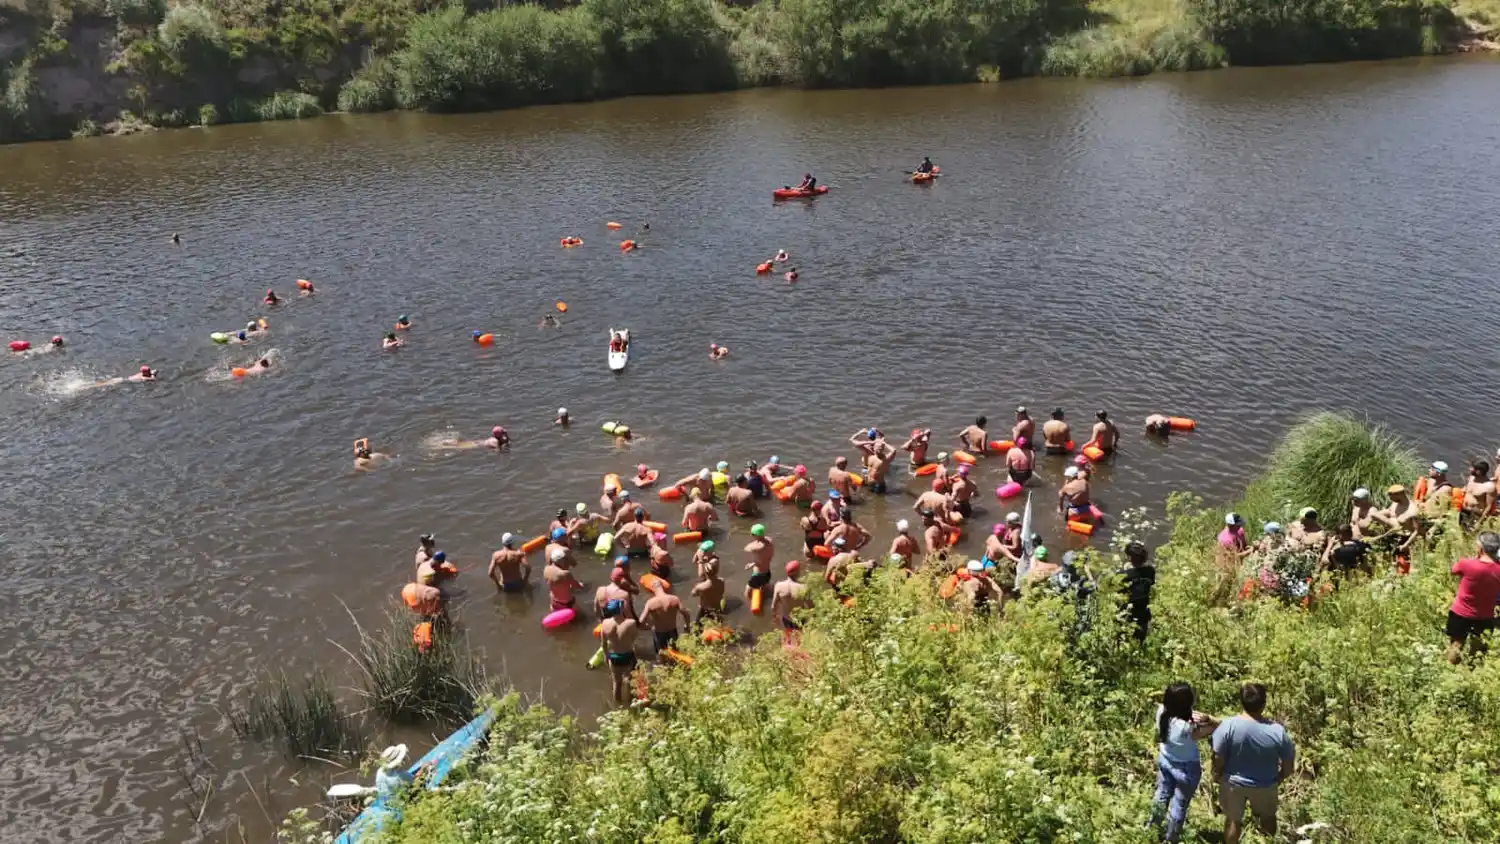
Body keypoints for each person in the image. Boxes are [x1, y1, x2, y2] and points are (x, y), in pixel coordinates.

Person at [1211, 683, 1295, 844]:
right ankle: (1268, 841)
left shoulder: (1228, 726)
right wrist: (1278, 778)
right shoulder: (1277, 731)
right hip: (1266, 784)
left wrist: (1217, 774)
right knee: (1268, 818)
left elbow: (1218, 757)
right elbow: (1289, 764)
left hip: (1233, 783)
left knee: (1233, 820)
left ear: (1241, 702)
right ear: (1263, 704)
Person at [1149, 682, 1219, 843]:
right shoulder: (1188, 728)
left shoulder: (1161, 712)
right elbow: (1215, 726)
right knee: (1179, 804)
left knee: (1161, 794)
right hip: (1186, 769)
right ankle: (1171, 838)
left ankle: (1151, 829)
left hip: (1166, 760)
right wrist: (1208, 718)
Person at [1446, 531, 1500, 664]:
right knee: (1478, 649)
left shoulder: (1467, 564)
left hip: (1460, 612)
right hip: (1485, 615)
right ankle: (1471, 671)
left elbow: (1453, 570)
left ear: (1480, 549)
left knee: (1456, 644)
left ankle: (1451, 670)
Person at [598, 599, 639, 705]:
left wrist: (606, 656)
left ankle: (618, 706)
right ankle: (630, 703)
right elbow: (634, 638)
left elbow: (603, 644)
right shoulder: (631, 623)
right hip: (627, 655)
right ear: (621, 609)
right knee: (629, 681)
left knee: (616, 683)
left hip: (613, 657)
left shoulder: (605, 623)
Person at [640, 578, 690, 655]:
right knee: (676, 654)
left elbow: (641, 621)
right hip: (673, 631)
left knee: (662, 655)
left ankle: (663, 665)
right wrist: (686, 625)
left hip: (659, 633)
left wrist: (648, 627)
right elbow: (685, 613)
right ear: (663, 587)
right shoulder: (674, 599)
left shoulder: (650, 603)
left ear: (652, 588)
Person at [771, 560, 811, 646]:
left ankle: (788, 646)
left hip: (786, 618)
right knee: (799, 638)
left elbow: (773, 606)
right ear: (797, 572)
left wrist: (775, 617)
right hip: (800, 619)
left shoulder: (779, 586)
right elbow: (811, 607)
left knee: (788, 635)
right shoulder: (804, 587)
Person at [1121, 541, 1155, 642]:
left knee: (1125, 640)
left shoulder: (1123, 576)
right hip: (1143, 613)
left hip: (1127, 613)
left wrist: (1125, 571)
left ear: (1129, 558)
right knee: (1140, 640)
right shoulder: (1150, 571)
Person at [745, 523, 775, 605]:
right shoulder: (770, 541)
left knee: (748, 590)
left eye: (752, 534)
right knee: (764, 586)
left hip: (758, 575)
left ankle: (748, 604)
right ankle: (766, 599)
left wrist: (756, 541)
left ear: (756, 535)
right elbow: (761, 560)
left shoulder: (757, 547)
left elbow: (746, 548)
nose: (751, 535)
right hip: (767, 572)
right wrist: (752, 564)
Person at [691, 555, 726, 623]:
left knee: (697, 627)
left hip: (705, 611)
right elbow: (722, 592)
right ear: (716, 571)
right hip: (717, 609)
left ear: (705, 573)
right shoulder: (722, 581)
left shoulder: (700, 586)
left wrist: (697, 587)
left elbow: (693, 594)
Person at [1462, 461, 1496, 528]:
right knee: (1460, 530)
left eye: (1472, 468)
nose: (1469, 469)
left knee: (1469, 535)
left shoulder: (1489, 487)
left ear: (1478, 471)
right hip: (1463, 510)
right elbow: (1467, 489)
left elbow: (1488, 507)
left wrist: (1479, 522)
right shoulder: (1471, 478)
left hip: (1475, 515)